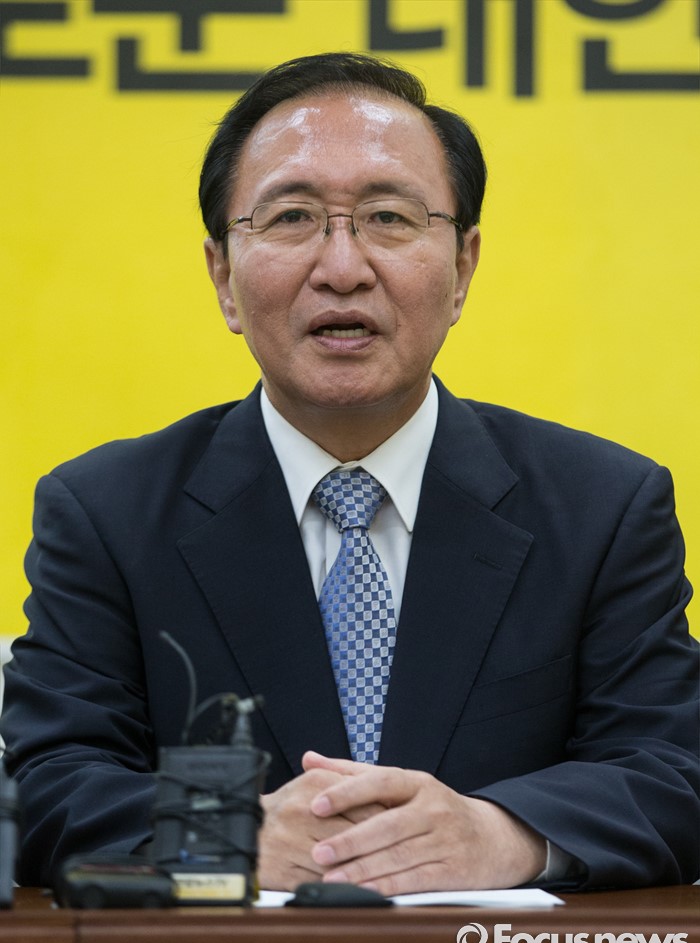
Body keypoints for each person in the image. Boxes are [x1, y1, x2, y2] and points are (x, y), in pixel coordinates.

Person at [1, 52, 698, 894]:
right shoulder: (107, 515)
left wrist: (499, 831)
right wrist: (231, 832)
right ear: (223, 275)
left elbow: (670, 768)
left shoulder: (603, 508)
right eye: (293, 216)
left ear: (463, 267)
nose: (342, 268)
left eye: (389, 217)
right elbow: (47, 783)